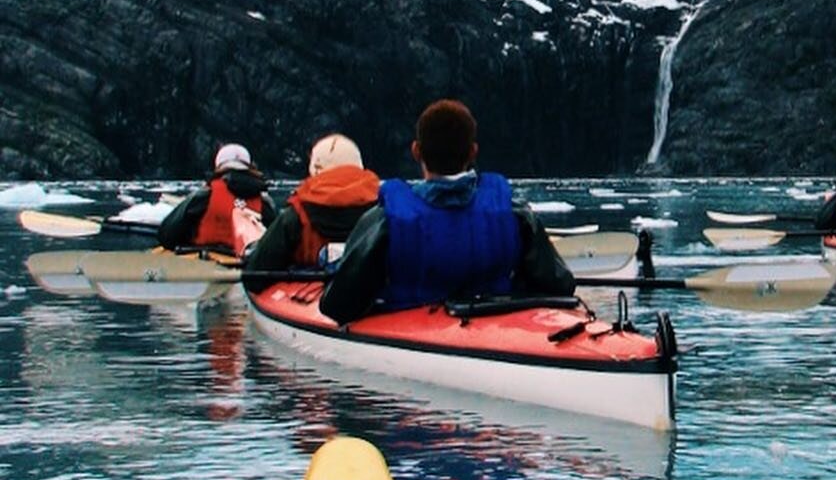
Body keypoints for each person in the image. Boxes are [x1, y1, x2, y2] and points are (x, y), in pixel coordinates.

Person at [320, 99, 574, 324]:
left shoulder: (385, 220)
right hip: (494, 322)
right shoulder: (515, 215)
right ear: (473, 151)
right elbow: (560, 285)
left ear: (416, 151)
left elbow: (337, 307)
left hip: (410, 329)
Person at [241, 134, 381, 294]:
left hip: (308, 296)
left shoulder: (295, 215)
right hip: (370, 298)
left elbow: (256, 278)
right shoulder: (382, 209)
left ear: (315, 168)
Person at [157, 142, 277, 254]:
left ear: (218, 165)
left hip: (205, 259)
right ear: (249, 166)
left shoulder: (205, 195)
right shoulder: (264, 201)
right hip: (246, 261)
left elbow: (166, 236)